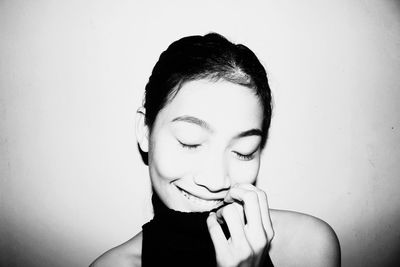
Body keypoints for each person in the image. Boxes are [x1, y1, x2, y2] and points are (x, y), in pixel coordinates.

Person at [90, 33, 340, 267]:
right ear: (145, 131)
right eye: (190, 142)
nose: (216, 181)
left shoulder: (309, 247)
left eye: (245, 150)